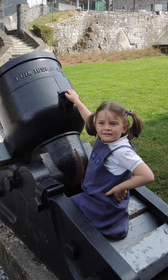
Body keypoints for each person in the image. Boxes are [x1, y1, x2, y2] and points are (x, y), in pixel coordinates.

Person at [65, 89, 154, 239]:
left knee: (65, 209)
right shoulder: (107, 136)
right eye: (101, 123)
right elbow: (89, 118)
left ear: (124, 128)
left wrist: (120, 187)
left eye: (113, 124)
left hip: (102, 204)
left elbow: (147, 176)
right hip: (95, 193)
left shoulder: (121, 152)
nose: (106, 128)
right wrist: (77, 101)